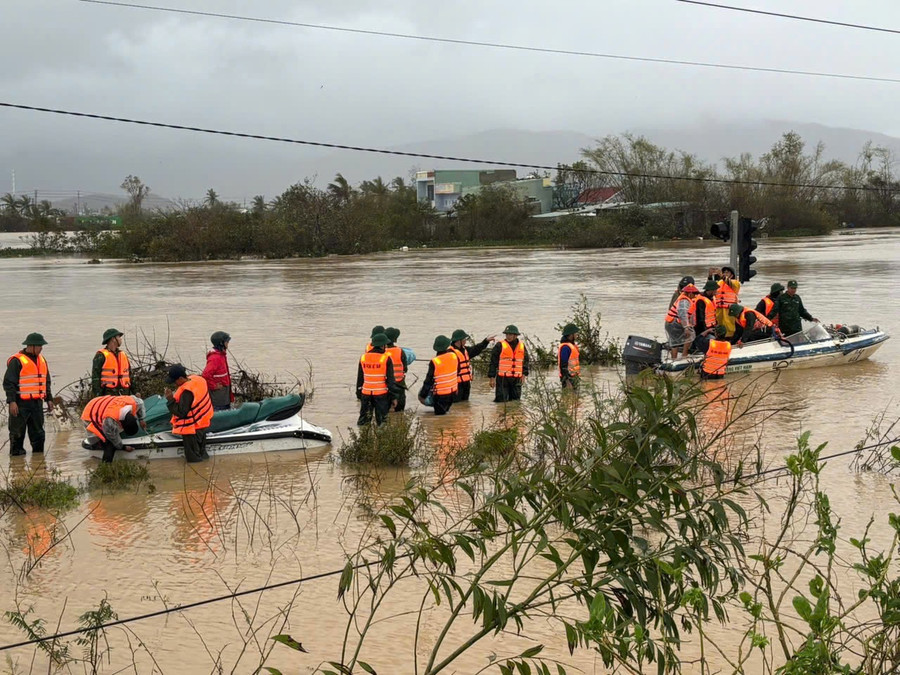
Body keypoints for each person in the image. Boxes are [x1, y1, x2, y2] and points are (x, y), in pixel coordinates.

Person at [4, 333, 54, 456]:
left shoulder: (42, 360)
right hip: (20, 404)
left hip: (36, 404)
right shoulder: (17, 361)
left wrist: (49, 399)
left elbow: (46, 381)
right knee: (17, 434)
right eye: (39, 346)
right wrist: (12, 402)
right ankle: (16, 462)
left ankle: (38, 460)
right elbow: (9, 383)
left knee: (39, 435)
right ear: (31, 346)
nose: (41, 348)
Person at [164, 364, 213, 463]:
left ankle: (198, 471)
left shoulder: (187, 392)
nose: (174, 384)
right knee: (202, 454)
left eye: (175, 381)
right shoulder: (198, 380)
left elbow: (182, 413)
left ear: (181, 378)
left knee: (193, 459)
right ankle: (206, 469)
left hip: (191, 429)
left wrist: (170, 400)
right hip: (201, 425)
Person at [82, 394, 147, 463]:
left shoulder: (135, 402)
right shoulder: (110, 421)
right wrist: (123, 447)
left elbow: (141, 402)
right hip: (90, 412)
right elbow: (112, 436)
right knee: (109, 443)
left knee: (112, 433)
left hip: (104, 403)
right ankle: (106, 466)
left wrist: (141, 419)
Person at [356, 332, 399, 426]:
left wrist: (359, 394)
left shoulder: (363, 357)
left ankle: (361, 435)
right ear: (383, 346)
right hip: (381, 395)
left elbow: (360, 378)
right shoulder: (386, 358)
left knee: (363, 422)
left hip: (366, 394)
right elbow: (390, 381)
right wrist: (394, 397)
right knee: (382, 422)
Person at [418, 335, 459, 415]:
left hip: (440, 395)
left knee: (439, 416)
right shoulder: (453, 356)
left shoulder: (434, 361)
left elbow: (428, 381)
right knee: (446, 414)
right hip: (452, 392)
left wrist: (422, 395)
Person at [449, 329, 494, 402]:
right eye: (464, 339)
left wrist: (485, 341)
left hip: (466, 383)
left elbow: (476, 349)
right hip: (456, 385)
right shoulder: (450, 353)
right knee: (456, 404)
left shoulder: (465, 350)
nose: (465, 340)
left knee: (465, 404)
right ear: (458, 341)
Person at [488, 325, 529, 403]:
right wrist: (492, 378)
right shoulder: (499, 345)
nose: (508, 336)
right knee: (500, 401)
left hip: (517, 379)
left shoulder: (522, 346)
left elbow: (526, 362)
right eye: (507, 334)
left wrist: (524, 375)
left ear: (515, 335)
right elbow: (493, 362)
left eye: (510, 334)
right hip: (503, 379)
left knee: (515, 402)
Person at [92, 328, 132, 397]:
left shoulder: (123, 355)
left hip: (125, 394)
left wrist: (136, 392)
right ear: (113, 339)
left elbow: (130, 375)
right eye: (119, 337)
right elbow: (96, 378)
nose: (120, 339)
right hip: (109, 394)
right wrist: (98, 396)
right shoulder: (101, 355)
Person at [665, 283, 700, 359]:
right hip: (674, 324)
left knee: (675, 342)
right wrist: (686, 327)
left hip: (672, 323)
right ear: (690, 293)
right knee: (689, 335)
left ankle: (675, 358)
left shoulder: (686, 299)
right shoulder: (684, 301)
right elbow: (682, 314)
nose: (695, 296)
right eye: (694, 294)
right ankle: (683, 355)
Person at [202, 331, 233, 411]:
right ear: (221, 343)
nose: (228, 343)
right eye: (227, 342)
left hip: (224, 395)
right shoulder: (215, 358)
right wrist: (214, 386)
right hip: (218, 398)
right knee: (220, 414)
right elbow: (205, 375)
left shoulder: (221, 355)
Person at [712, 266, 741, 339]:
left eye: (727, 272)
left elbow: (729, 282)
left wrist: (721, 275)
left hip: (729, 309)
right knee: (720, 324)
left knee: (729, 325)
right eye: (724, 272)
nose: (725, 274)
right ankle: (720, 337)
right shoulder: (720, 282)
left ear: (732, 275)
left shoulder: (735, 282)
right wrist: (710, 276)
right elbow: (711, 288)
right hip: (719, 308)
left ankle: (729, 338)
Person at [384, 327, 408, 412]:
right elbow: (405, 368)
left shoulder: (382, 352)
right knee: (400, 411)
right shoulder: (400, 351)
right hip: (399, 384)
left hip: (385, 384)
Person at [692, 280, 719, 354]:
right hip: (703, 328)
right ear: (710, 290)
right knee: (711, 341)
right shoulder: (701, 301)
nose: (716, 292)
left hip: (711, 326)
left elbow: (713, 314)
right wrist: (705, 331)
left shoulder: (712, 298)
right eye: (715, 290)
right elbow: (700, 319)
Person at [558, 323, 580, 389]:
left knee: (574, 395)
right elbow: (563, 366)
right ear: (571, 335)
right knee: (569, 394)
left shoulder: (572, 346)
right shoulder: (565, 347)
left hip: (574, 376)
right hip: (568, 378)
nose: (577, 335)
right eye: (575, 333)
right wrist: (567, 380)